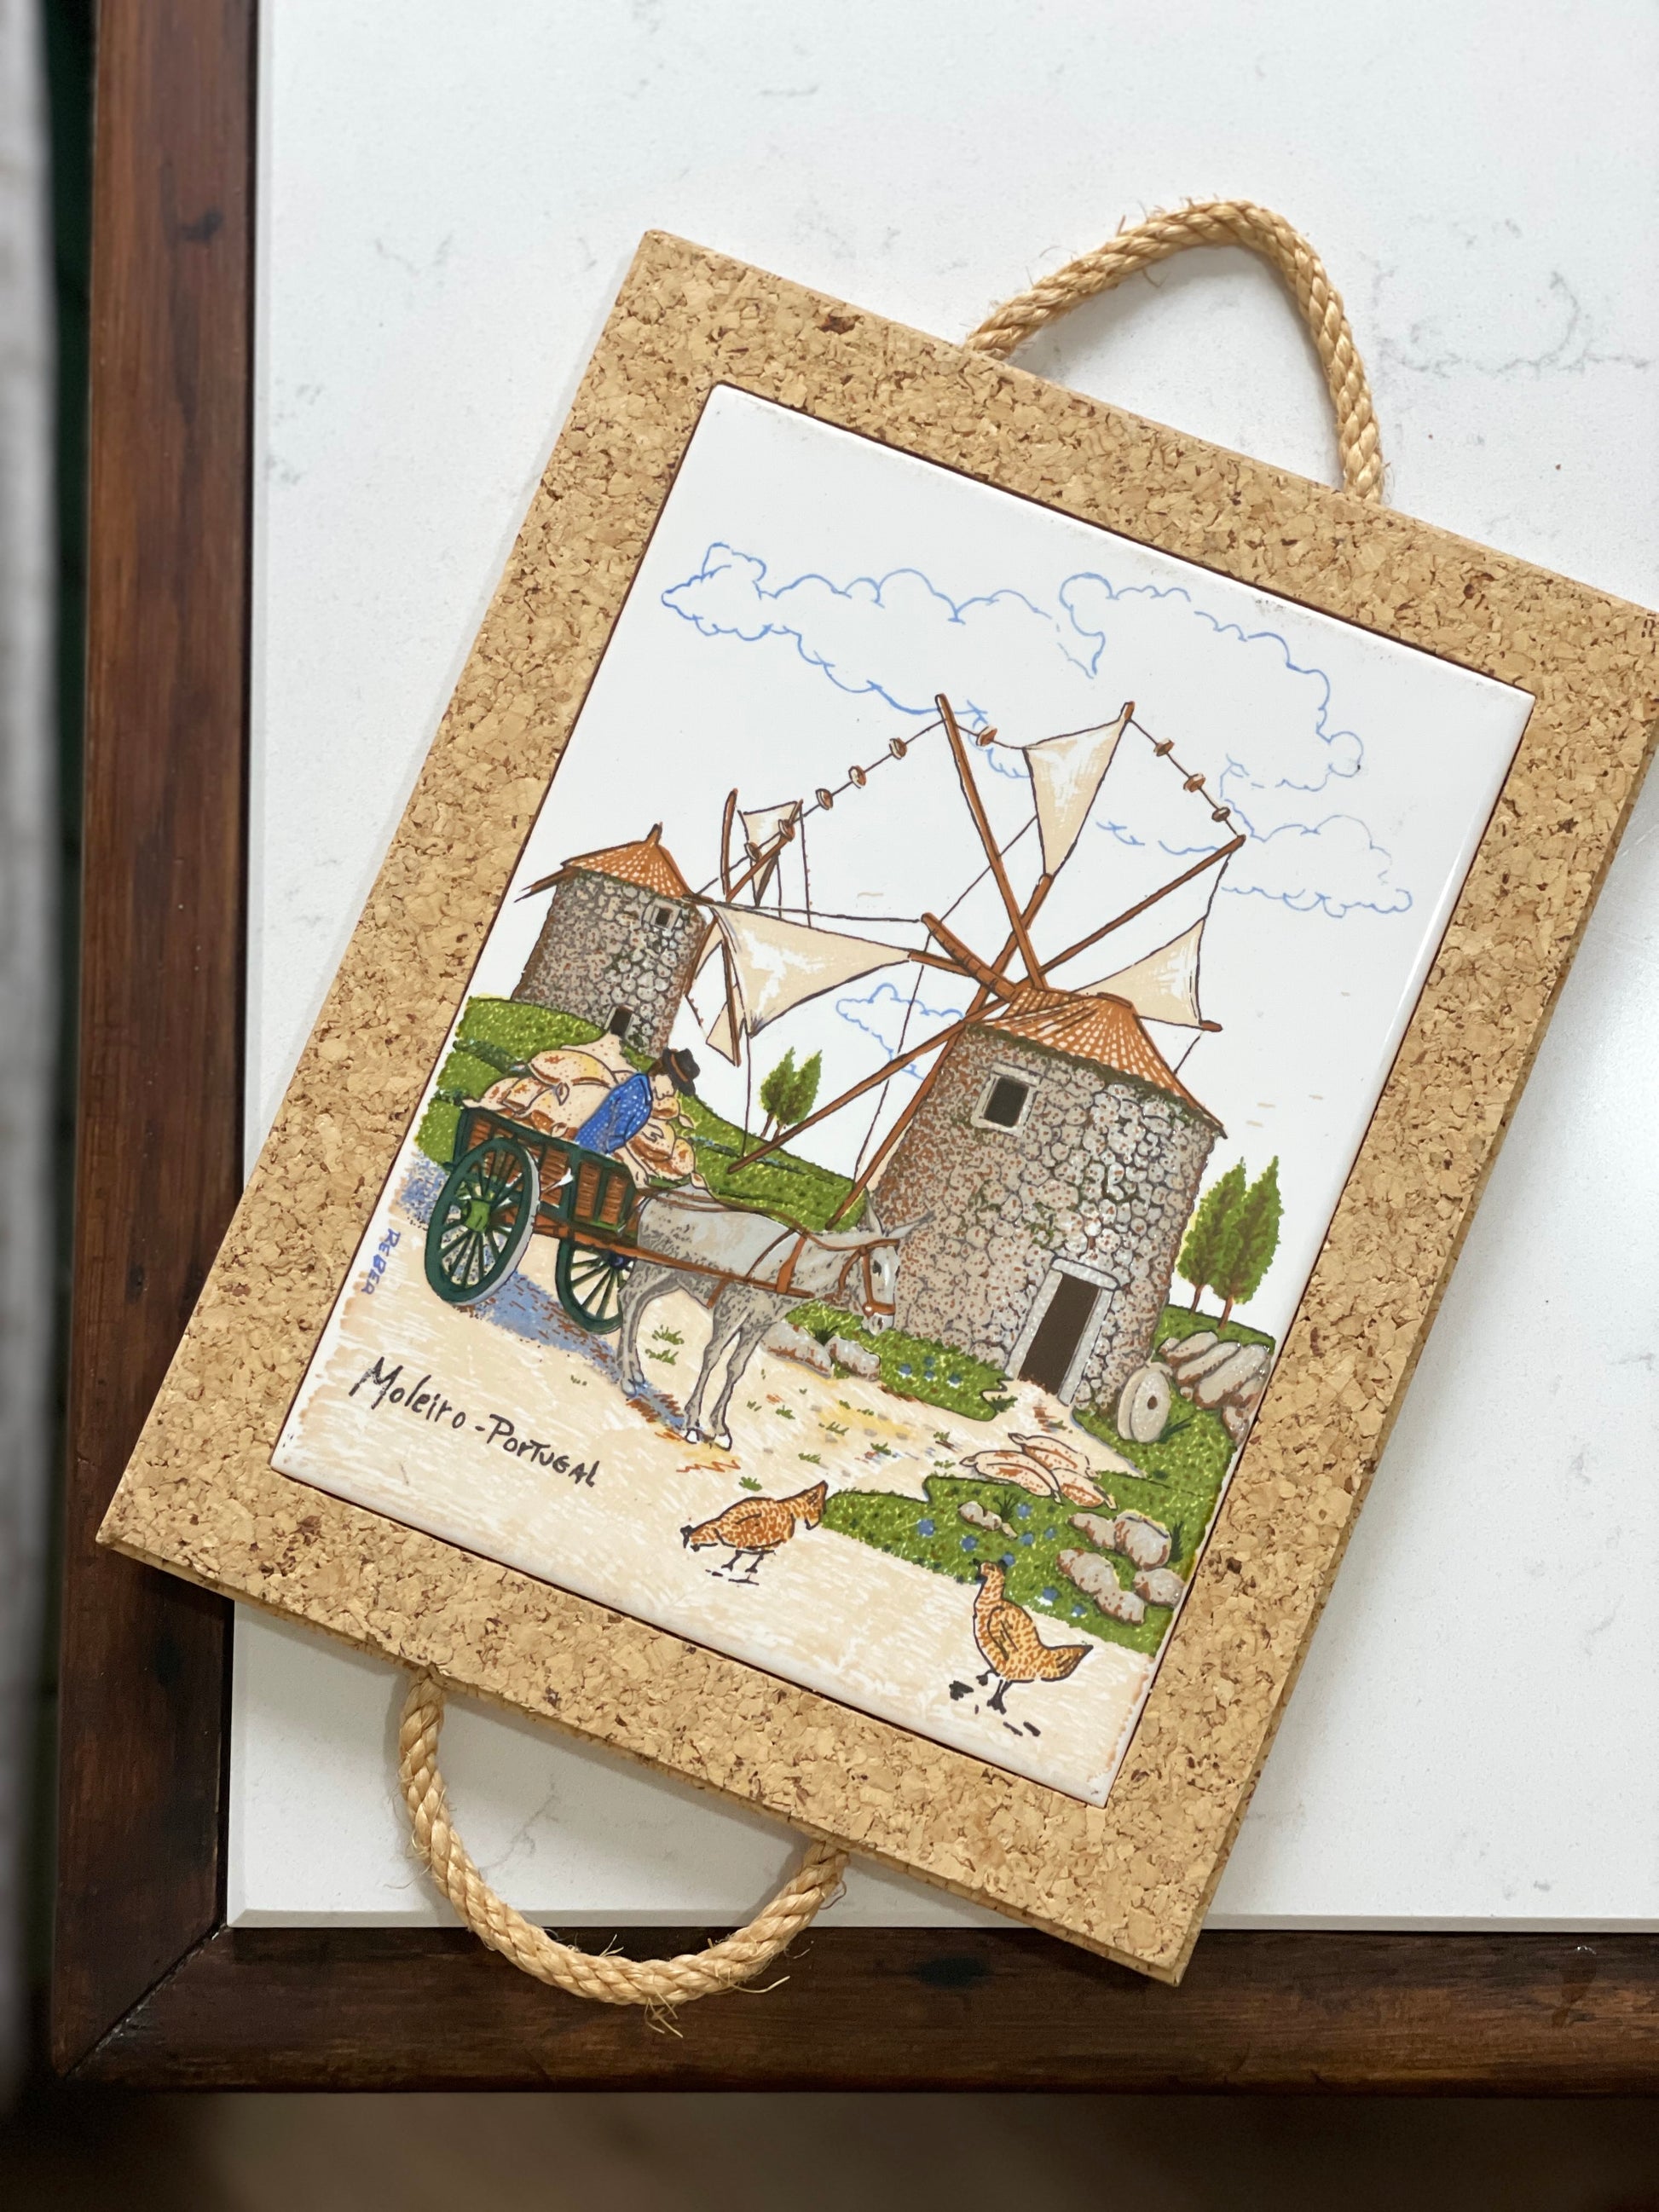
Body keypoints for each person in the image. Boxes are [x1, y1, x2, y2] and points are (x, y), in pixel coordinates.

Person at [573, 1047, 700, 1157]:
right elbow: (617, 1131)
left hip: (595, 1149)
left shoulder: (645, 1095)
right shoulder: (637, 1092)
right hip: (590, 1147)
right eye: (673, 1084)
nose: (672, 1091)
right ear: (662, 1074)